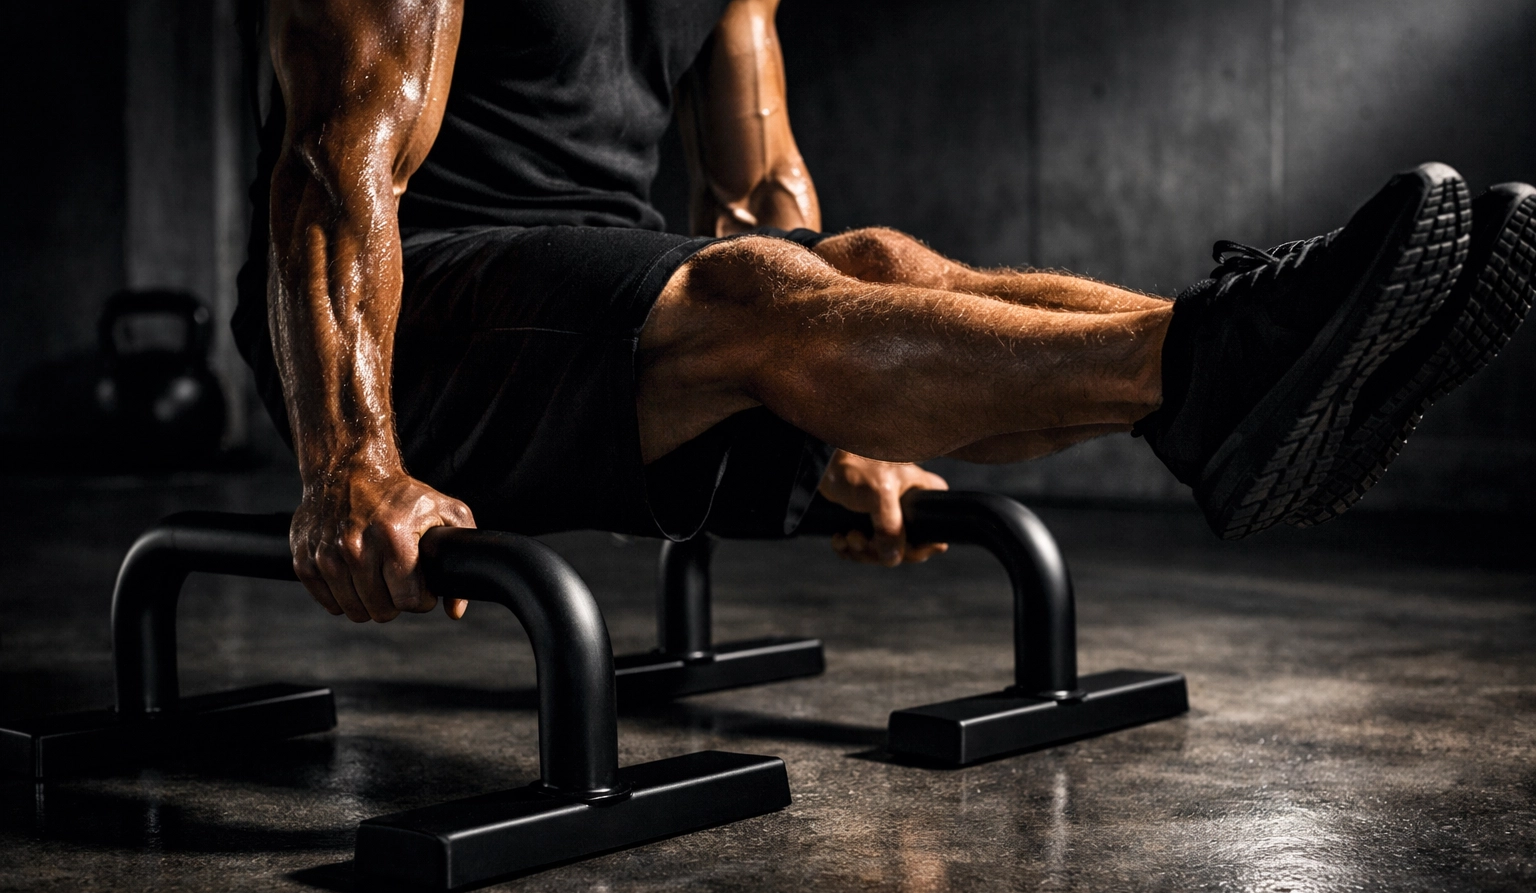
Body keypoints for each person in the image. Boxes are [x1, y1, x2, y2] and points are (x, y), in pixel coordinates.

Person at [233, 0, 1535, 625]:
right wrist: (350, 459)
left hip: (613, 286)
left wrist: (840, 414)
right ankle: (1212, 372)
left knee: (869, 255)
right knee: (751, 292)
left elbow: (764, 194)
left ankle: (1235, 350)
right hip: (401, 316)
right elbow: (330, 169)